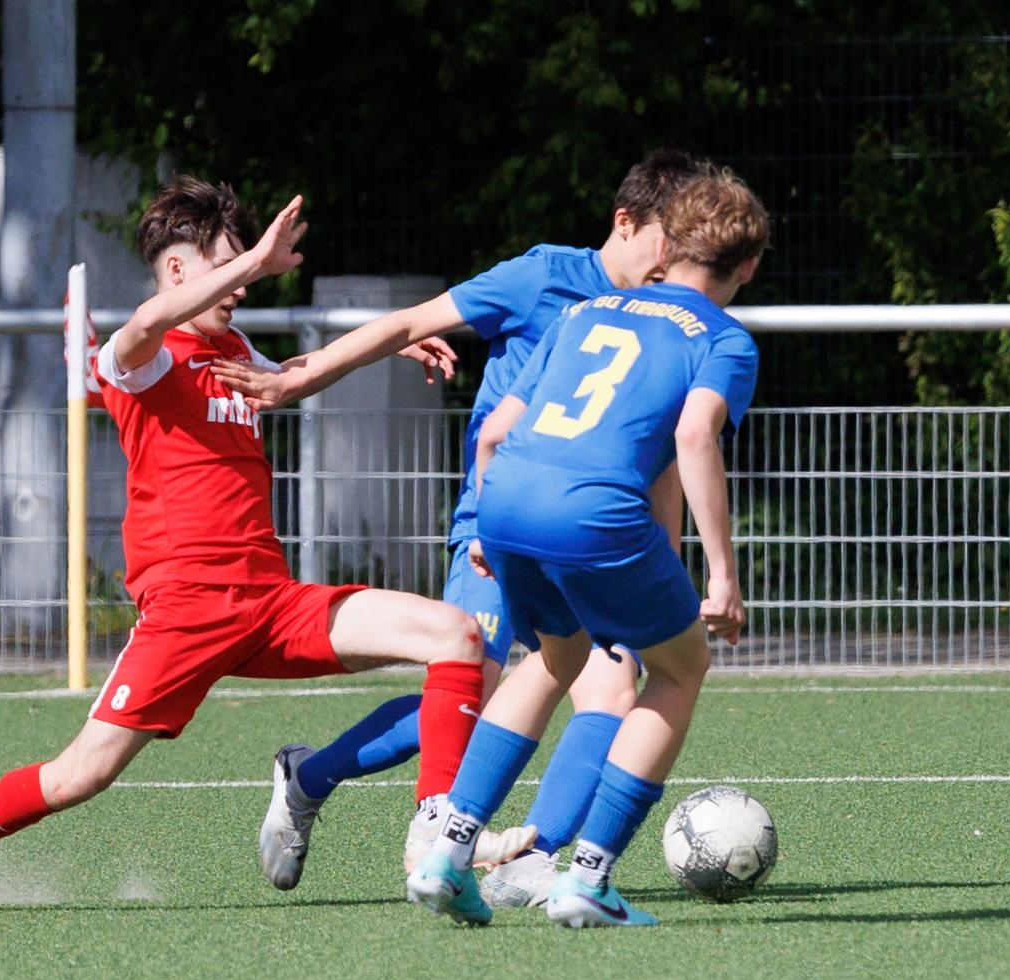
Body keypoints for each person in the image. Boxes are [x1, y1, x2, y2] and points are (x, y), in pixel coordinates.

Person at [0, 176, 491, 914]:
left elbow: (297, 374)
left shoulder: (234, 349)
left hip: (273, 605)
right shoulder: (142, 355)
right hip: (187, 615)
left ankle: (433, 833)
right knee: (79, 775)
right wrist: (257, 260)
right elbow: (145, 322)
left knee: (455, 634)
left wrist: (395, 339)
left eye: (245, 269)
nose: (242, 287)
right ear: (177, 268)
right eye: (228, 268)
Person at [214, 151, 712, 901]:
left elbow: (664, 454)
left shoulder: (666, 317)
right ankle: (319, 780)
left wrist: (663, 565)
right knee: (468, 684)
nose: (675, 263)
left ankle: (532, 857)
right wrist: (298, 378)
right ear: (625, 222)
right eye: (668, 241)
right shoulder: (544, 277)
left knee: (611, 688)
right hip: (499, 521)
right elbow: (410, 321)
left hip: (589, 536)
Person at [404, 168, 769, 928]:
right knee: (681, 668)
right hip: (594, 512)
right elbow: (694, 437)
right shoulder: (724, 339)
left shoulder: (585, 310)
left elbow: (495, 431)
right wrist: (723, 576)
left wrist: (489, 524)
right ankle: (589, 876)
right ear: (749, 265)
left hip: (506, 499)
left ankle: (446, 852)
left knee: (552, 658)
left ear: (666, 247)